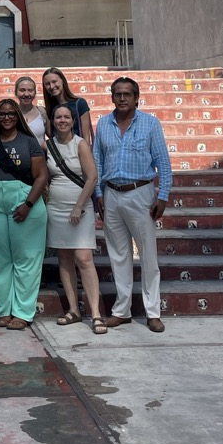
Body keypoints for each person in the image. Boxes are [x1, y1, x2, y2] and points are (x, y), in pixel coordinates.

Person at [91, 76, 171, 333]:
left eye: (127, 94)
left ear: (137, 98)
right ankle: (122, 311)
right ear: (112, 97)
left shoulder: (150, 123)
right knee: (118, 254)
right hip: (111, 194)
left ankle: (152, 312)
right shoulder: (103, 124)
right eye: (118, 94)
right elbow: (97, 162)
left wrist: (163, 196)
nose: (122, 98)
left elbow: (163, 163)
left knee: (148, 255)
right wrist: (98, 194)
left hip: (141, 194)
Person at [0, 99, 48, 332]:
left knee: (26, 259)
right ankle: (5, 310)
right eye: (2, 114)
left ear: (17, 116)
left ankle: (23, 311)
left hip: (24, 198)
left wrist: (28, 204)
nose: (7, 118)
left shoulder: (29, 142)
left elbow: (41, 176)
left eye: (11, 114)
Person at [45, 103, 105, 334]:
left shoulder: (80, 144)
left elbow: (92, 177)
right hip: (56, 208)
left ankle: (96, 313)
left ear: (72, 120)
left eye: (66, 117)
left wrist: (79, 207)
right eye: (58, 117)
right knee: (64, 258)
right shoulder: (48, 145)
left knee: (84, 258)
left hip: (79, 207)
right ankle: (73, 310)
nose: (62, 120)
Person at [42, 67, 92, 143]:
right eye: (47, 84)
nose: (52, 86)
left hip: (78, 152)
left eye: (54, 81)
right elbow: (52, 136)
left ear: (62, 81)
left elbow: (86, 137)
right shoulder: (49, 109)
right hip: (58, 153)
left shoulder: (80, 104)